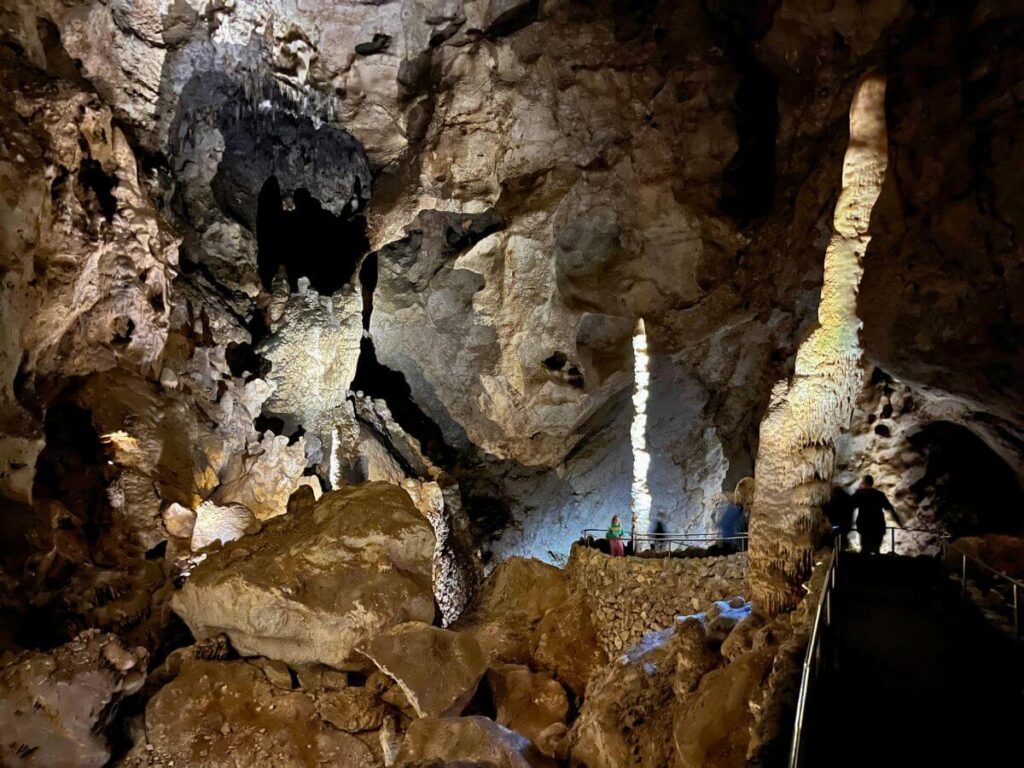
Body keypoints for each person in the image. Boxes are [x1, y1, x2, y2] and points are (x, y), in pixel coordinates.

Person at [851, 475, 894, 555]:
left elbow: (851, 505)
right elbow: (888, 507)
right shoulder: (879, 494)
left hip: (864, 526)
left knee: (865, 550)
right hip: (878, 527)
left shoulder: (860, 494)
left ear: (863, 483)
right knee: (876, 550)